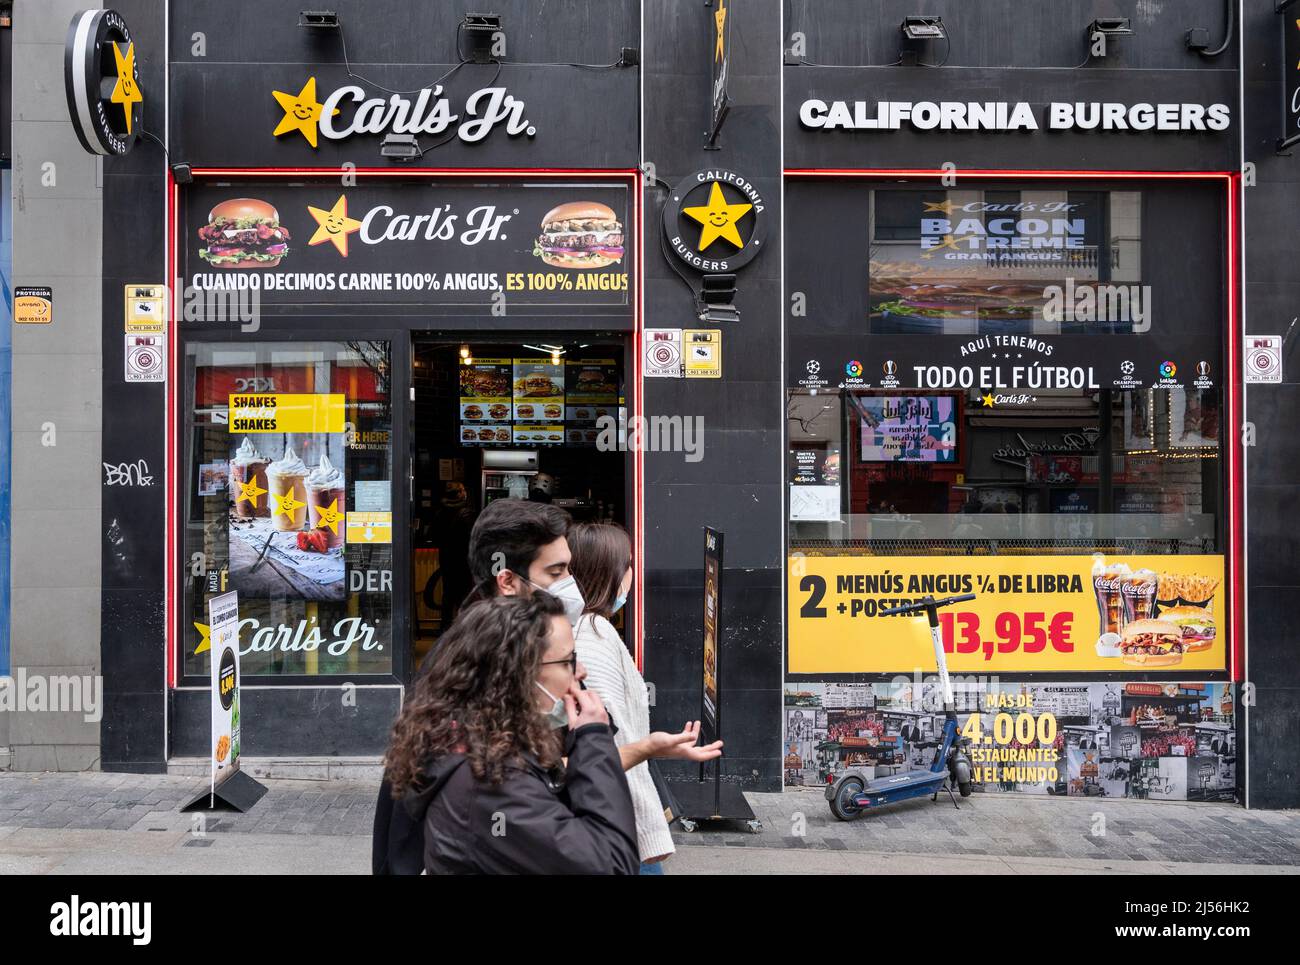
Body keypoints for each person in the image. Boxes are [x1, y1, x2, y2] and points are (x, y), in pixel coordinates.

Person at [386, 593, 638, 874]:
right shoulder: (494, 784)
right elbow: (612, 863)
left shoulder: (486, 746)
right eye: (568, 660)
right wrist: (593, 737)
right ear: (520, 675)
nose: (581, 671)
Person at [567, 521, 723, 875]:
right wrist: (646, 835)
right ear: (609, 574)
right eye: (628, 564)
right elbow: (608, 746)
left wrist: (659, 747)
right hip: (617, 826)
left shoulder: (592, 630)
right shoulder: (591, 639)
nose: (633, 573)